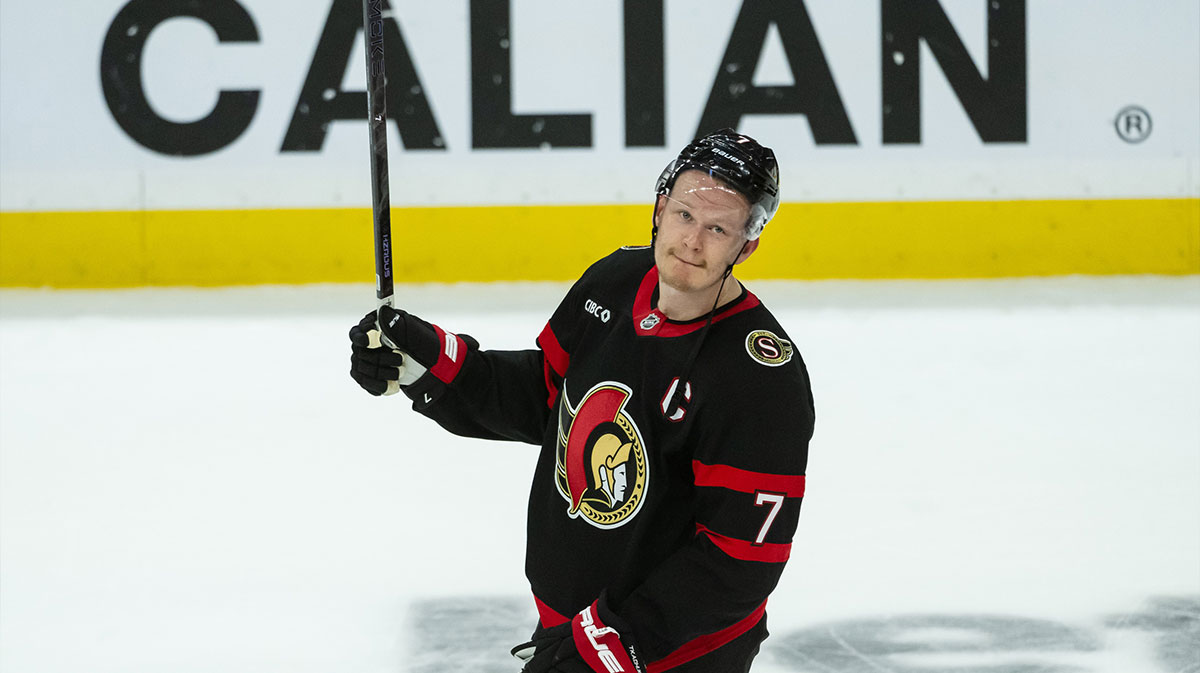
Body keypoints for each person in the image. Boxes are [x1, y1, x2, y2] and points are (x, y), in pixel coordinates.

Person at [349, 129, 814, 672]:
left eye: (718, 228)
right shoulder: (614, 282)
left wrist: (615, 642)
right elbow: (549, 398)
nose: (693, 241)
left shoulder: (760, 379)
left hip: (666, 654)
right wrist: (437, 367)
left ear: (746, 245)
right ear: (660, 209)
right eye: (685, 215)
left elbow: (739, 559)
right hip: (574, 632)